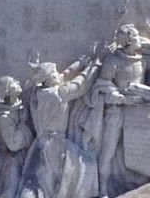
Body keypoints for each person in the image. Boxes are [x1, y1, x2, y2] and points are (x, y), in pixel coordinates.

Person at [88, 24, 150, 194]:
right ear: (129, 41)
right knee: (108, 149)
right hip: (119, 110)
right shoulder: (113, 61)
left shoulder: (142, 60)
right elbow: (102, 86)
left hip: (141, 107)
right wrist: (121, 98)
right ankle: (102, 190)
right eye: (137, 36)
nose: (140, 39)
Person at [16, 58, 97, 198]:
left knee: (42, 180)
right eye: (54, 72)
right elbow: (80, 85)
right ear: (48, 78)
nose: (58, 74)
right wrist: (95, 65)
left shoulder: (36, 93)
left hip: (40, 143)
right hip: (55, 144)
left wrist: (81, 62)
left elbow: (65, 75)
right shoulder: (58, 94)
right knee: (82, 167)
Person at [0, 76, 35, 198]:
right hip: (7, 161)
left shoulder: (18, 107)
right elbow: (13, 144)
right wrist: (23, 125)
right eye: (14, 83)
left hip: (19, 158)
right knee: (8, 192)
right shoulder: (3, 118)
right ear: (9, 90)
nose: (18, 82)